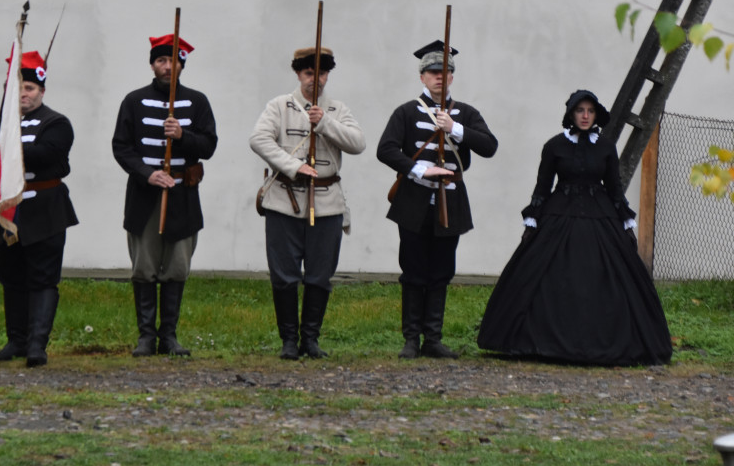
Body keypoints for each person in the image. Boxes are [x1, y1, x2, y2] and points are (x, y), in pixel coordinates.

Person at [477, 90, 672, 366]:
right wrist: (532, 219)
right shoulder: (554, 146)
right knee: (544, 274)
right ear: (571, 114)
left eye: (590, 111)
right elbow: (542, 187)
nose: (585, 116)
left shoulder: (605, 147)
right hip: (559, 213)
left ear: (595, 115)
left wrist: (626, 221)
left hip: (599, 213)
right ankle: (535, 341)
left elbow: (615, 189)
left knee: (607, 276)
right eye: (580, 110)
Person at [377, 40, 498, 359]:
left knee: (442, 270)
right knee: (413, 270)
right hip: (414, 201)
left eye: (445, 72)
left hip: (452, 201)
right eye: (433, 72)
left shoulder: (466, 113)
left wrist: (455, 128)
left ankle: (433, 338)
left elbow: (489, 146)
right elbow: (386, 149)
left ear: (452, 77)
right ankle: (410, 339)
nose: (439, 77)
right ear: (422, 77)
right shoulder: (406, 111)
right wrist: (418, 168)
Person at [249, 47, 366, 360]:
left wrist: (325, 122)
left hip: (327, 203)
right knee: (284, 275)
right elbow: (259, 139)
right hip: (284, 201)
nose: (316, 79)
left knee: (319, 276)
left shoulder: (338, 109)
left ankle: (310, 340)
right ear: (298, 74)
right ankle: (289, 341)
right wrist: (293, 166)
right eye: (309, 73)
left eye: (322, 73)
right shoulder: (279, 106)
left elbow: (358, 143)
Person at [0, 51, 79, 368]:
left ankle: (36, 345)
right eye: (17, 88)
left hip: (44, 212)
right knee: (11, 277)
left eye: (29, 88)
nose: (24, 94)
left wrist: (7, 147)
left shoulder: (57, 123)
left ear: (41, 91)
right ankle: (16, 340)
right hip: (6, 212)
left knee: (42, 279)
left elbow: (48, 154)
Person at [111, 34, 218, 357]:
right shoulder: (133, 101)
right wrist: (147, 173)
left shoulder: (197, 102)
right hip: (145, 196)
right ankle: (146, 337)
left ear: (182, 64)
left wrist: (183, 136)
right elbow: (121, 147)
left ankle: (168, 336)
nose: (168, 66)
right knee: (144, 266)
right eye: (161, 60)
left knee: (177, 265)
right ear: (152, 64)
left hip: (182, 195)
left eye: (173, 61)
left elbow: (209, 146)